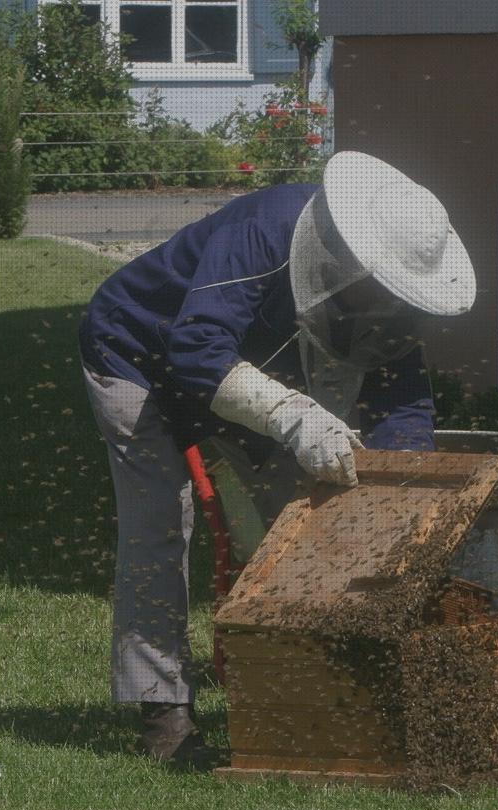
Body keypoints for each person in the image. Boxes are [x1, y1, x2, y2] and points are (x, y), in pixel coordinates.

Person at [78, 151, 476, 765]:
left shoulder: (387, 298)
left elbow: (404, 408)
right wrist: (295, 416)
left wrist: (400, 503)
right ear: (348, 253)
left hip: (249, 377)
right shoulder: (264, 229)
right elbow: (197, 349)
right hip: (138, 355)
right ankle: (162, 717)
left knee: (299, 527)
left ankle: (300, 696)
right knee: (157, 529)